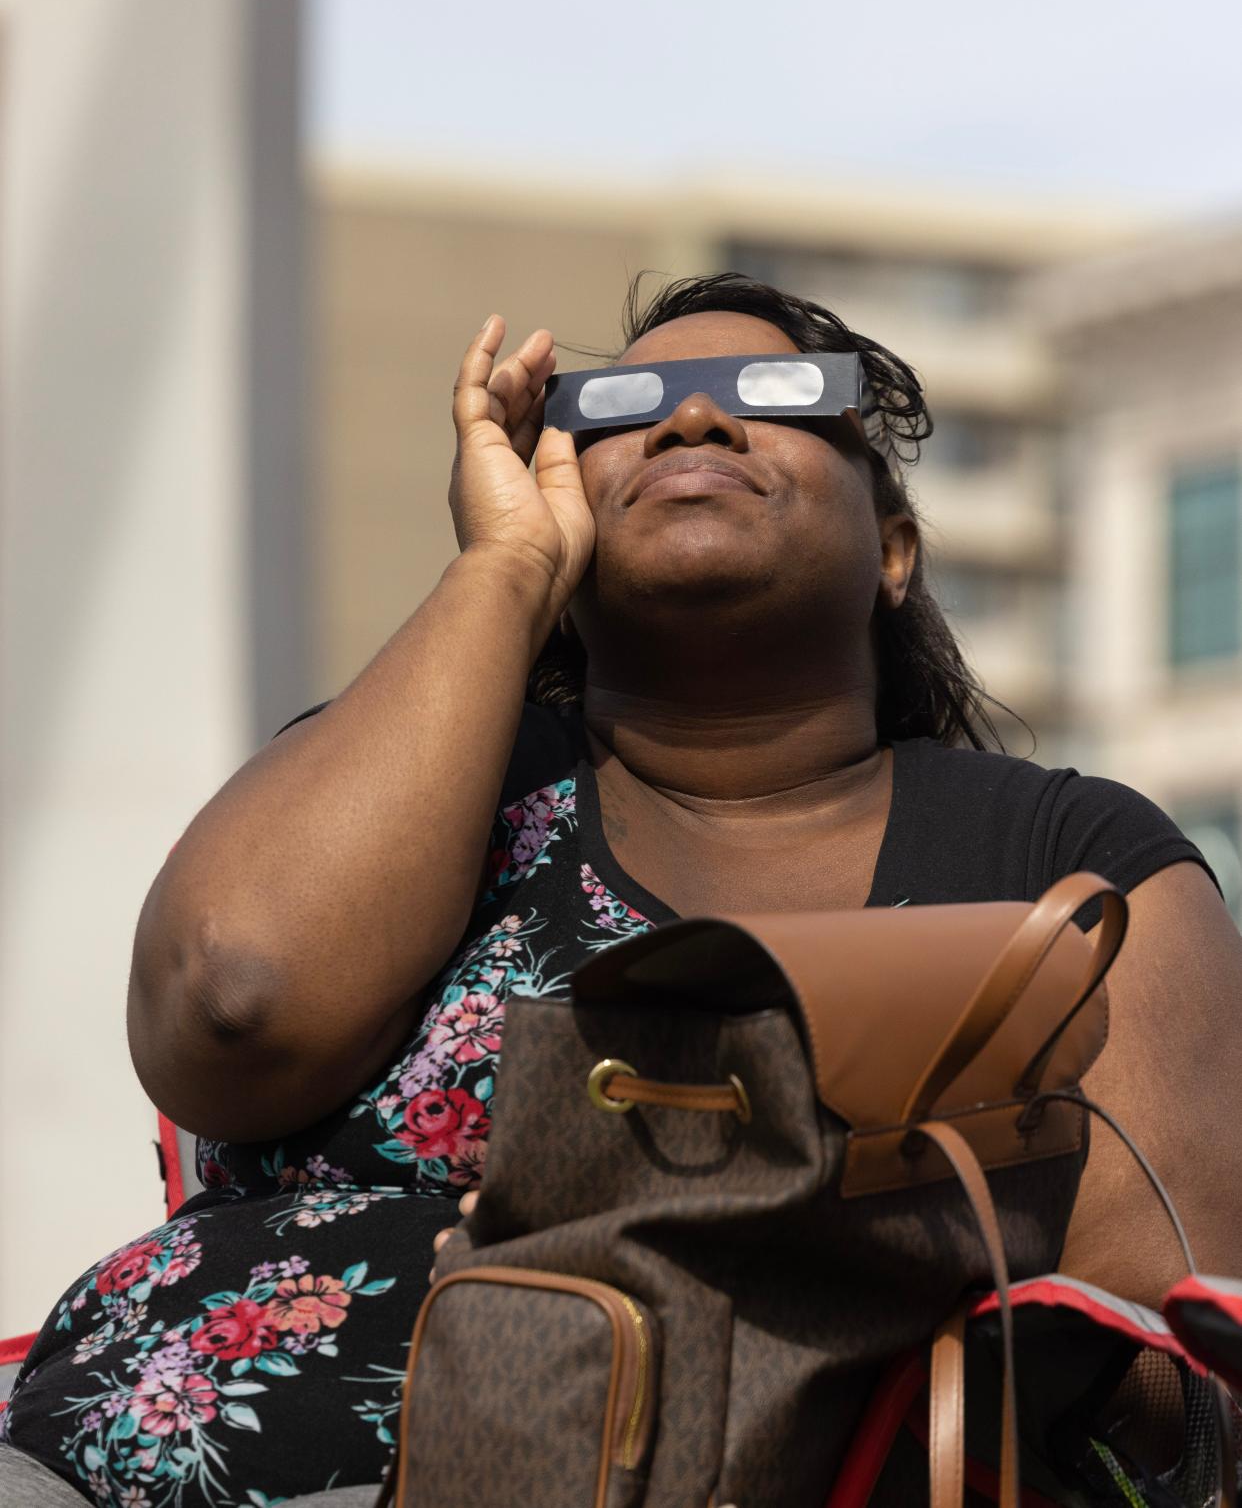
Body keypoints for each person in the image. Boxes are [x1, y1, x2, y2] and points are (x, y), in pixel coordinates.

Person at [3, 273, 1240, 1507]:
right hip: (86, 1449)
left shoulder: (1060, 865)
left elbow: (1179, 1388)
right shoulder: (433, 773)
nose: (691, 425)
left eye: (783, 396)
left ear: (896, 551)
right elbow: (233, 1000)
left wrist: (842, 1250)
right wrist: (506, 572)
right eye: (625, 405)